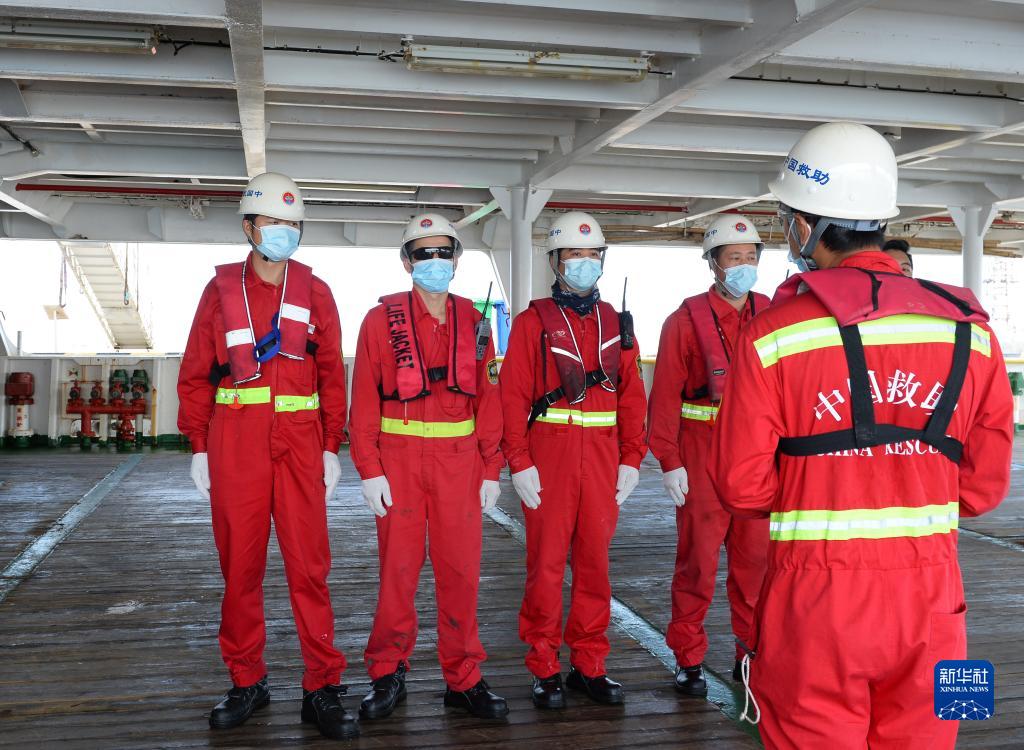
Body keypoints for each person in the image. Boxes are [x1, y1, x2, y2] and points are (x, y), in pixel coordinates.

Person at [709, 122, 1014, 749]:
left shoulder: (773, 334)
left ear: (804, 227)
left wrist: (825, 483)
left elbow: (742, 487)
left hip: (815, 604)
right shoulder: (973, 332)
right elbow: (983, 492)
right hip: (939, 606)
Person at [178, 172, 358, 740]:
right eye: (272, 222)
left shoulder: (316, 292)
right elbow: (195, 372)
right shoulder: (219, 293)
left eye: (291, 223)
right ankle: (246, 680)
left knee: (310, 569)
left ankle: (321, 686)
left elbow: (332, 376)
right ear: (249, 227)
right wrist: (199, 445)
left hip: (301, 444)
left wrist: (331, 446)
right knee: (240, 571)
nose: (283, 231)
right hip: (236, 443)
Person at [348, 213, 508, 720]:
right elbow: (363, 400)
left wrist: (491, 468)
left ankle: (463, 678)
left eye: (443, 252)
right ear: (406, 262)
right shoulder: (379, 322)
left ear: (457, 260)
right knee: (397, 574)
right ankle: (387, 672)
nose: (434, 261)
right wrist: (369, 468)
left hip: (459, 465)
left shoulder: (476, 322)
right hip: (397, 464)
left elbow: (490, 399)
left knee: (461, 574)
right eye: (423, 254)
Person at [500, 211, 647, 710]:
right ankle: (544, 666)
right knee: (544, 567)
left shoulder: (617, 325)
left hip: (603, 459)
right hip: (550, 457)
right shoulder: (532, 323)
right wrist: (519, 461)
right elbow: (512, 396)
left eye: (592, 255)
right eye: (574, 255)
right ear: (555, 262)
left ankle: (589, 664)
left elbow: (632, 398)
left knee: (595, 567)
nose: (584, 263)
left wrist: (632, 457)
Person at [647, 214, 770, 696]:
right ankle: (689, 657)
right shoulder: (683, 322)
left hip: (758, 455)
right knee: (697, 563)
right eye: (734, 258)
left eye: (751, 257)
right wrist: (669, 460)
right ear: (713, 264)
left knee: (756, 565)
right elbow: (664, 398)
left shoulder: (774, 314)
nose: (744, 265)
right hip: (701, 453)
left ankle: (750, 654)